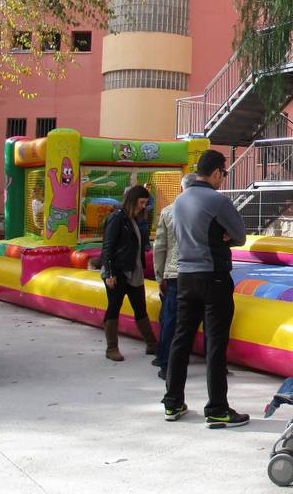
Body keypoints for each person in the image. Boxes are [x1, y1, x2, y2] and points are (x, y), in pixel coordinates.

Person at [162, 150, 249, 429]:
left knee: (181, 339)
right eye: (223, 173)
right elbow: (240, 234)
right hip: (214, 277)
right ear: (215, 172)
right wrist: (223, 236)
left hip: (185, 276)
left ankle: (173, 402)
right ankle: (217, 409)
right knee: (215, 343)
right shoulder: (216, 200)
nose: (223, 179)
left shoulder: (179, 200)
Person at [100, 185, 157, 362]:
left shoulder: (136, 219)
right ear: (133, 200)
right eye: (141, 202)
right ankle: (112, 347)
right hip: (118, 270)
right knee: (114, 307)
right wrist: (109, 272)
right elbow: (108, 246)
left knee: (140, 306)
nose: (143, 206)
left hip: (134, 271)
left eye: (146, 203)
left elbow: (140, 244)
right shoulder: (117, 218)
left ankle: (151, 343)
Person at [153, 173, 196, 380]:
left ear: (181, 188)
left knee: (170, 318)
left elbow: (160, 245)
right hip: (197, 271)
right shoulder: (202, 210)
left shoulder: (168, 211)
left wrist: (159, 275)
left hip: (173, 272)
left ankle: (166, 362)